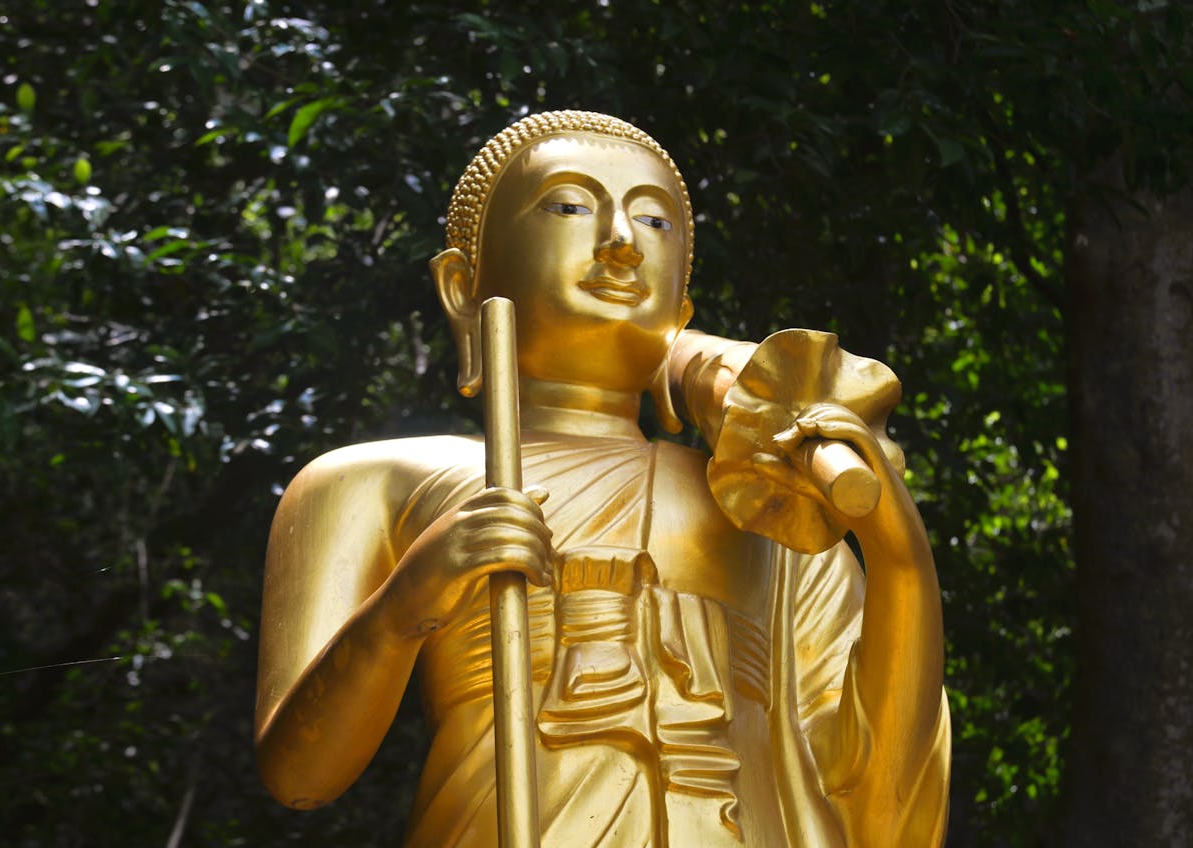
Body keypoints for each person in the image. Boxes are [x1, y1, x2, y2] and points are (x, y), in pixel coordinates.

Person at [255, 111, 949, 846]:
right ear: (463, 286)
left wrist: (898, 552)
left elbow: (870, 786)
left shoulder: (766, 517)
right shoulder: (378, 482)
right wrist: (406, 605)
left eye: (653, 221)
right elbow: (300, 776)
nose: (619, 241)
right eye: (570, 205)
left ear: (681, 310)